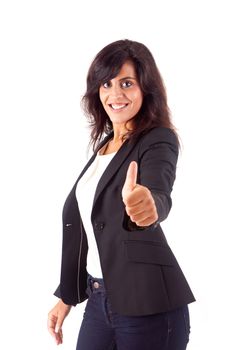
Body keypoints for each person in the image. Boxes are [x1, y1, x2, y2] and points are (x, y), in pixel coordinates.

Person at [47, 39, 195, 350]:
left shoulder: (158, 139)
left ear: (145, 87)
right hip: (99, 300)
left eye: (126, 83)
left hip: (150, 304)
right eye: (106, 83)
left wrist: (148, 206)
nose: (115, 94)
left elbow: (158, 189)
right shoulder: (103, 147)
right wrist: (67, 295)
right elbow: (86, 225)